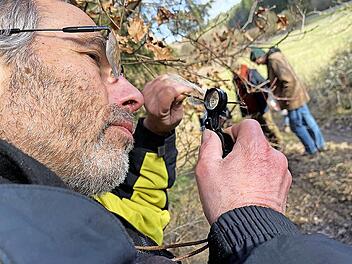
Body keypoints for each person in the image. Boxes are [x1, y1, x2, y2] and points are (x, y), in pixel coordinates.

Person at [0, 1, 351, 263]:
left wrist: (153, 133)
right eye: (93, 57)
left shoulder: (58, 207)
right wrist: (256, 227)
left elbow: (135, 226)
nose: (134, 94)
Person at [250, 47, 326, 155]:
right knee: (308, 120)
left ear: (259, 57)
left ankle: (311, 149)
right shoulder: (276, 57)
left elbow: (288, 81)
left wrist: (286, 100)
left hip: (292, 97)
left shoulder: (273, 60)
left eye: (256, 61)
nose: (257, 64)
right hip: (298, 94)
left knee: (296, 125)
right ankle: (320, 145)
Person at [233, 64, 283, 148]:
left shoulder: (252, 73)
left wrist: (255, 90)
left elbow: (265, 85)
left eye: (235, 71)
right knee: (260, 129)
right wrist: (243, 111)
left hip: (261, 105)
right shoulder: (235, 79)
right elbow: (238, 95)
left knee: (270, 126)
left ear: (239, 69)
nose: (234, 74)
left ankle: (280, 143)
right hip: (251, 108)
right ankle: (272, 146)